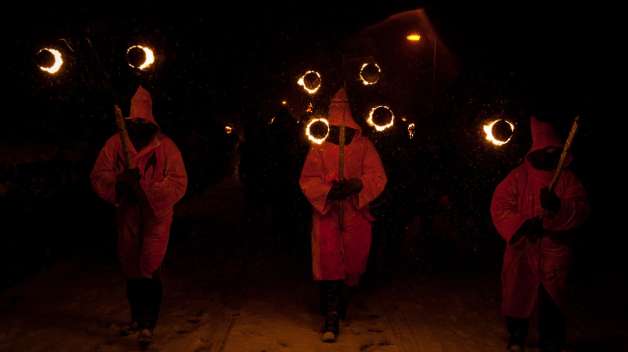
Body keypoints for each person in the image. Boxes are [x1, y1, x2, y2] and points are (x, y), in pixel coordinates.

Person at [90, 86, 188, 346]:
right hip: (127, 213)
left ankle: (148, 323)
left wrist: (147, 192)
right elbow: (98, 176)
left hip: (157, 214)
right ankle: (136, 317)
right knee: (131, 265)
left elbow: (178, 181)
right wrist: (121, 181)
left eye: (144, 121)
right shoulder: (115, 143)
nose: (140, 126)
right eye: (135, 121)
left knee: (150, 266)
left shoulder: (166, 146)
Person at [490, 116, 589, 352]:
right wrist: (523, 225)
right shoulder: (516, 177)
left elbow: (582, 209)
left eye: (554, 152)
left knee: (551, 301)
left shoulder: (566, 179)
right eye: (546, 151)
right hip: (523, 248)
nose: (550, 156)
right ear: (535, 151)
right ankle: (517, 334)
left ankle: (552, 340)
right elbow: (500, 207)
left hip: (554, 252)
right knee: (517, 293)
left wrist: (558, 207)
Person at [299, 87, 387, 342]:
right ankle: (331, 317)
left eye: (344, 128)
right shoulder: (319, 148)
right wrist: (327, 192)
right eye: (336, 127)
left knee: (353, 264)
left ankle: (343, 298)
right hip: (328, 215)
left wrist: (357, 185)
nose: (340, 133)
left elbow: (377, 176)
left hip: (355, 214)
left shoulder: (364, 146)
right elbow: (308, 179)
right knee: (329, 264)